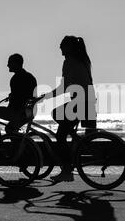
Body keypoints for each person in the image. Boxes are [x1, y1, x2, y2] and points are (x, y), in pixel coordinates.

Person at [40, 36, 97, 182]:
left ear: (69, 47)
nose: (59, 48)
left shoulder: (69, 61)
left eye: (62, 45)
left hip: (80, 103)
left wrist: (45, 97)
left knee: (60, 135)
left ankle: (66, 170)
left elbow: (63, 87)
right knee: (66, 127)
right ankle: (74, 144)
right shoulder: (83, 60)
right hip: (89, 101)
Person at [0, 53, 37, 140]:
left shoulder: (16, 79)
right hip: (29, 112)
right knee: (10, 129)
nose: (7, 65)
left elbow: (19, 98)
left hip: (19, 112)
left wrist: (12, 99)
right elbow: (25, 95)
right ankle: (17, 149)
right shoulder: (30, 76)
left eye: (10, 63)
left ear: (16, 64)